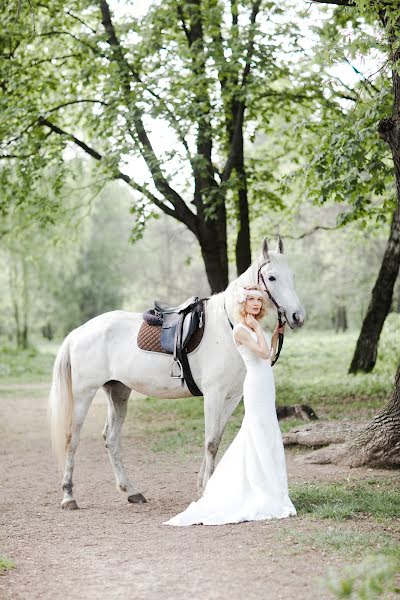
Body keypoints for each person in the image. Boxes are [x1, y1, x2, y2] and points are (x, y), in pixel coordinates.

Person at [163, 284, 297, 526]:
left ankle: (270, 486)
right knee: (256, 431)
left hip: (266, 383)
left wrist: (276, 334)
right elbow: (263, 355)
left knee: (268, 432)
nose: (256, 304)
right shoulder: (241, 330)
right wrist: (258, 329)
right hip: (255, 384)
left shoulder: (255, 327)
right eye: (252, 300)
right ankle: (251, 487)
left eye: (259, 300)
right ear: (243, 304)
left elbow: (272, 352)